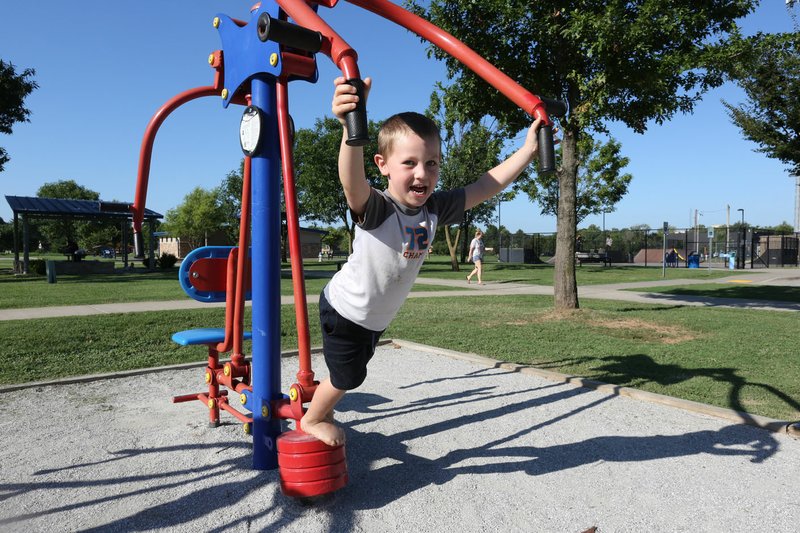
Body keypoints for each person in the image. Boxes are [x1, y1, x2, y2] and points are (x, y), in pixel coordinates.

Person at [300, 76, 550, 446]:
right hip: (346, 310)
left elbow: (486, 184)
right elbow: (351, 180)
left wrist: (528, 151)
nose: (423, 173)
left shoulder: (434, 208)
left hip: (374, 316)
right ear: (383, 165)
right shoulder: (377, 207)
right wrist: (350, 127)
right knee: (348, 377)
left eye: (431, 163)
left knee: (350, 372)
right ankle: (312, 418)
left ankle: (325, 404)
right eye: (410, 163)